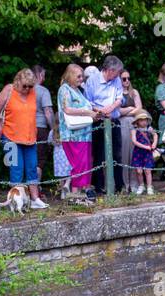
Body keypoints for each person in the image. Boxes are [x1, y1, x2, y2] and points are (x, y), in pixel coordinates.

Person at [0, 69, 48, 208]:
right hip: (10, 137)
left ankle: (35, 199)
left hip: (30, 137)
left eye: (30, 86)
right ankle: (15, 202)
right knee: (16, 169)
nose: (27, 89)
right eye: (25, 86)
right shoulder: (9, 89)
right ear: (18, 81)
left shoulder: (32, 93)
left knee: (32, 168)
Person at [84, 55, 124, 196]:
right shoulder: (92, 81)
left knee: (117, 155)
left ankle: (120, 187)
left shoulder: (116, 80)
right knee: (98, 155)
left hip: (113, 119)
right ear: (109, 70)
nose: (119, 75)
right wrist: (100, 111)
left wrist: (111, 108)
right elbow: (87, 102)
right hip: (98, 121)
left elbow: (120, 98)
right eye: (117, 72)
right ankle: (98, 187)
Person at [57, 63, 94, 202]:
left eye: (82, 76)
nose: (81, 79)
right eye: (78, 76)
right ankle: (75, 197)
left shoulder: (78, 90)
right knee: (78, 165)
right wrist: (87, 112)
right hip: (73, 134)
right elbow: (67, 109)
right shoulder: (64, 89)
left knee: (84, 165)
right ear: (70, 75)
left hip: (85, 134)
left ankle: (80, 196)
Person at [116, 69, 142, 193]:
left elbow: (139, 109)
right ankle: (125, 184)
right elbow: (117, 112)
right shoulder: (116, 93)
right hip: (121, 124)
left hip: (133, 123)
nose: (127, 81)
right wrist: (131, 109)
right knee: (124, 154)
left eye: (128, 78)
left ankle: (134, 183)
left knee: (134, 153)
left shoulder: (134, 92)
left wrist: (127, 111)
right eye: (124, 79)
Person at [32, 65, 56, 187]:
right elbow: (48, 112)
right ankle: (36, 190)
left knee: (28, 159)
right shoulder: (43, 91)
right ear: (40, 75)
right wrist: (53, 128)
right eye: (44, 76)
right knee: (39, 160)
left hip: (25, 128)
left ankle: (26, 189)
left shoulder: (24, 90)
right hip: (40, 128)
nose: (44, 79)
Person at [129, 110, 156, 195]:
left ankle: (149, 186)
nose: (144, 122)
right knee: (139, 171)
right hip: (138, 152)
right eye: (141, 120)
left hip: (147, 153)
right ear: (137, 121)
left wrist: (154, 144)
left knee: (148, 171)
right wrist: (145, 147)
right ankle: (141, 185)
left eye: (145, 120)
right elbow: (134, 141)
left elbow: (155, 135)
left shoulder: (149, 129)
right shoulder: (134, 130)